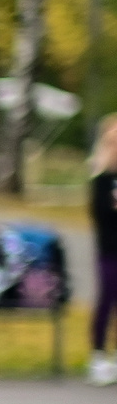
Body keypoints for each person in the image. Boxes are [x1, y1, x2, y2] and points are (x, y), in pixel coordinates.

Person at [91, 115, 117, 386]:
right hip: (109, 250)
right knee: (107, 300)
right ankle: (98, 356)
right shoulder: (101, 180)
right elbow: (101, 215)